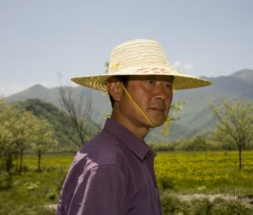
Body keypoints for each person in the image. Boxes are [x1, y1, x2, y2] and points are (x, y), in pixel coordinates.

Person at [56, 39, 211, 215]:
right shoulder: (107, 165)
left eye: (168, 85)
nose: (162, 94)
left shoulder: (131, 156)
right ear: (116, 89)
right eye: (150, 81)